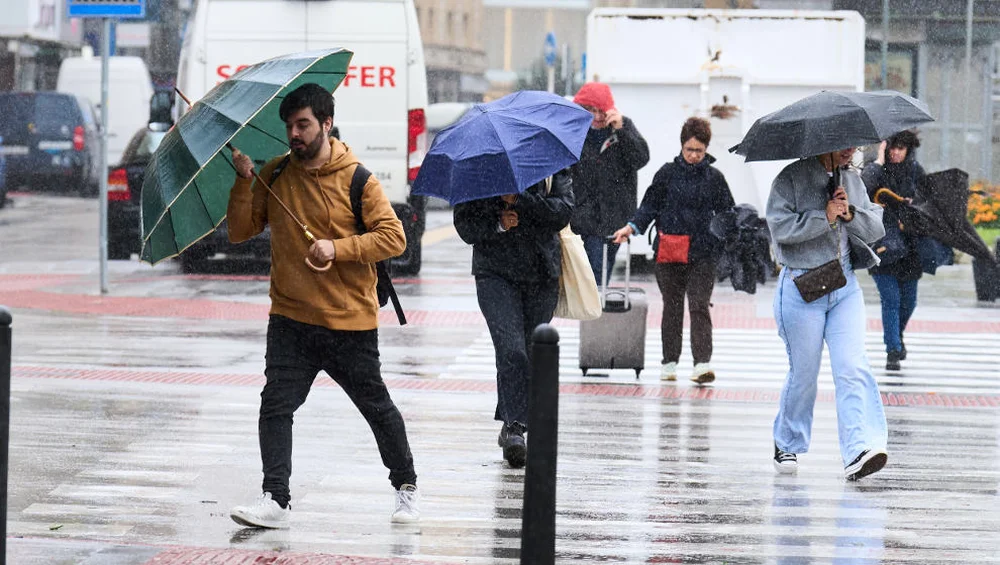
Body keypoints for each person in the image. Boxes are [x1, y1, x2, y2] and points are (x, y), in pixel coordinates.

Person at [225, 83, 419, 528]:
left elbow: (394, 238)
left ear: (326, 124)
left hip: (348, 321)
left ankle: (405, 485)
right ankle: (276, 498)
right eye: (289, 126)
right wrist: (241, 181)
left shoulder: (357, 179)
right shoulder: (274, 175)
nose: (294, 133)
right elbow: (239, 231)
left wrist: (338, 248)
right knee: (275, 405)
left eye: (303, 124)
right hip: (290, 318)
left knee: (376, 407)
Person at [766, 146, 889, 481]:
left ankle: (859, 449)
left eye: (855, 144)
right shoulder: (790, 178)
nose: (851, 150)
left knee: (852, 367)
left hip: (844, 287)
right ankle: (787, 441)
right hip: (801, 287)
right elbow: (780, 229)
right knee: (804, 373)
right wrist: (825, 216)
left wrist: (850, 214)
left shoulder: (851, 179)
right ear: (824, 143)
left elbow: (875, 228)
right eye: (844, 144)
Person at [453, 171, 574, 468]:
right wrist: (497, 219)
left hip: (541, 273)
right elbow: (465, 225)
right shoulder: (481, 170)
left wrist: (521, 200)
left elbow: (562, 212)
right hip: (495, 274)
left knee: (531, 354)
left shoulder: (550, 166)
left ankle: (513, 421)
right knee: (511, 350)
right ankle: (515, 427)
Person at [612, 117, 734, 384]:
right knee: (672, 307)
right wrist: (631, 228)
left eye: (699, 151)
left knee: (699, 305)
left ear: (707, 150)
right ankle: (669, 362)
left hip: (703, 254)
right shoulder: (666, 174)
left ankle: (702, 363)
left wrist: (727, 241)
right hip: (668, 253)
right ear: (681, 146)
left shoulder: (715, 178)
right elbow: (649, 207)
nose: (693, 156)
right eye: (689, 149)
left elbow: (728, 214)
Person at [569, 82, 650, 286]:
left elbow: (640, 158)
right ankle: (594, 313)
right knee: (594, 273)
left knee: (602, 269)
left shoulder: (622, 127)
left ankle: (594, 312)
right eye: (590, 110)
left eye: (600, 111)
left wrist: (622, 130)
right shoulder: (575, 132)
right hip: (583, 216)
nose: (596, 117)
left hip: (614, 216)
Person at [861, 131, 926, 371]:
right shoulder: (875, 170)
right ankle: (893, 349)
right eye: (892, 147)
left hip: (910, 248)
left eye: (902, 148)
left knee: (909, 301)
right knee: (891, 300)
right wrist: (878, 160)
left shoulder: (916, 171)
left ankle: (896, 337)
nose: (896, 152)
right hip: (883, 245)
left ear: (909, 149)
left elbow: (927, 203)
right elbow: (864, 188)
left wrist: (911, 214)